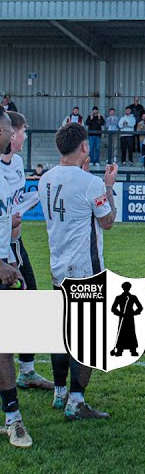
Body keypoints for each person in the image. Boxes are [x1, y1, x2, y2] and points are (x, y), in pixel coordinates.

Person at [37, 122, 118, 420]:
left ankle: (60, 393)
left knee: (61, 333)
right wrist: (109, 186)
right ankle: (76, 400)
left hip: (58, 266)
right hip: (85, 269)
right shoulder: (91, 184)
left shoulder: (45, 178)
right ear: (84, 147)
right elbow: (107, 221)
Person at [1, 112, 56, 394]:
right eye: (22, 130)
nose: (22, 135)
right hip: (4, 250)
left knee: (28, 306)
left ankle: (26, 371)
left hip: (15, 245)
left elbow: (15, 202)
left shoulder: (19, 163)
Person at [0, 111, 35, 449]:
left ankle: (13, 418)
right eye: (11, 128)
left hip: (10, 255)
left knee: (5, 344)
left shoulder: (10, 167)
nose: (14, 133)